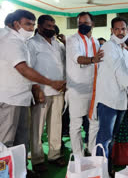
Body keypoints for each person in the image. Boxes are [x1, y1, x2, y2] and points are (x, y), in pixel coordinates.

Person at [0, 9, 65, 178]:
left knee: (21, 139)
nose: (31, 28)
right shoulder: (11, 40)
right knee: (7, 141)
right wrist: (46, 84)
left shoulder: (21, 40)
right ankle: (7, 173)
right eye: (28, 24)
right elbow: (23, 68)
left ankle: (21, 170)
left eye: (32, 24)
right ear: (16, 24)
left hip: (23, 96)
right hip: (11, 97)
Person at [91, 17, 128, 176]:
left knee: (112, 138)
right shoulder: (109, 47)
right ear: (111, 31)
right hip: (108, 100)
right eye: (116, 29)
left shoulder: (124, 51)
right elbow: (119, 73)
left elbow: (127, 73)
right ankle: (99, 171)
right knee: (104, 139)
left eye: (123, 29)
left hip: (120, 100)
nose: (120, 32)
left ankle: (107, 167)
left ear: (127, 30)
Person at [27, 15, 67, 172]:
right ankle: (37, 159)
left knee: (56, 124)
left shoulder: (58, 45)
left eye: (52, 26)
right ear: (39, 26)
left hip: (59, 91)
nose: (50, 29)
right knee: (37, 127)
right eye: (47, 26)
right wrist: (35, 88)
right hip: (41, 91)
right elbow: (29, 68)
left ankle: (54, 155)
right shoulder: (31, 44)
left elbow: (65, 64)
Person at [66, 12, 104, 156]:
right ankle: (78, 156)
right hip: (77, 90)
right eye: (80, 23)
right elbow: (78, 58)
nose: (82, 25)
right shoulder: (72, 40)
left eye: (85, 23)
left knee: (94, 122)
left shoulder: (94, 41)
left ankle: (92, 152)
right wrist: (93, 59)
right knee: (76, 125)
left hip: (94, 88)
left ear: (92, 25)